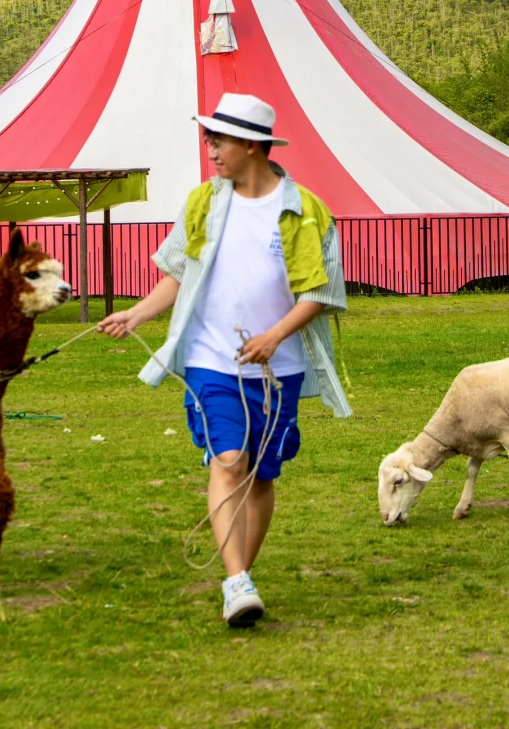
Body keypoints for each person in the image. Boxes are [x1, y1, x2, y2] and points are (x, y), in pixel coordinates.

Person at [98, 91, 350, 628]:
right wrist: (137, 314)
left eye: (220, 139)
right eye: (208, 139)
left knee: (260, 477)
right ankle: (236, 580)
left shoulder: (305, 211)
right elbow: (180, 273)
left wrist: (273, 337)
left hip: (277, 370)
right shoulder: (203, 204)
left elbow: (318, 294)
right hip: (213, 363)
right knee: (229, 461)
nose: (210, 149)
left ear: (254, 146)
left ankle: (240, 578)